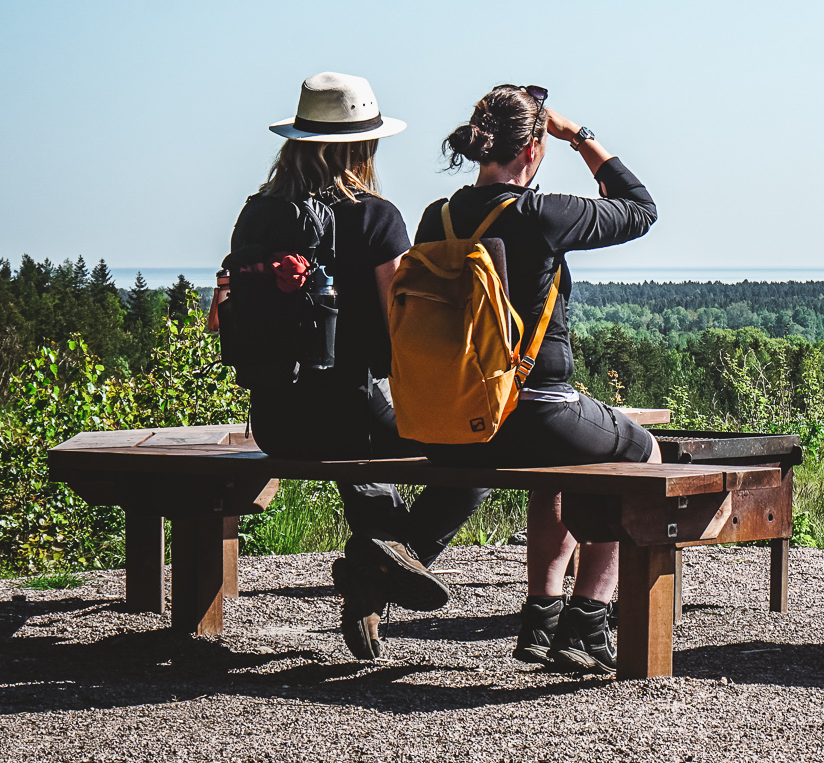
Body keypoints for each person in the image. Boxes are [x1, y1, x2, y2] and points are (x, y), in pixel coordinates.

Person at [227, 72, 490, 660]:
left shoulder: (256, 216)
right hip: (353, 412)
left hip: (275, 419)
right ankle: (378, 570)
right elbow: (403, 329)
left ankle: (378, 569)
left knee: (370, 471)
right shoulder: (376, 217)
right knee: (476, 461)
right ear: (363, 146)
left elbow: (230, 310)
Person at [415, 84, 657, 675]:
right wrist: (581, 137)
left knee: (555, 479)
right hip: (536, 405)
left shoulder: (437, 217)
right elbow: (641, 208)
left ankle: (540, 620)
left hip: (462, 418)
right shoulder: (544, 213)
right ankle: (588, 623)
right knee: (640, 455)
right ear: (534, 148)